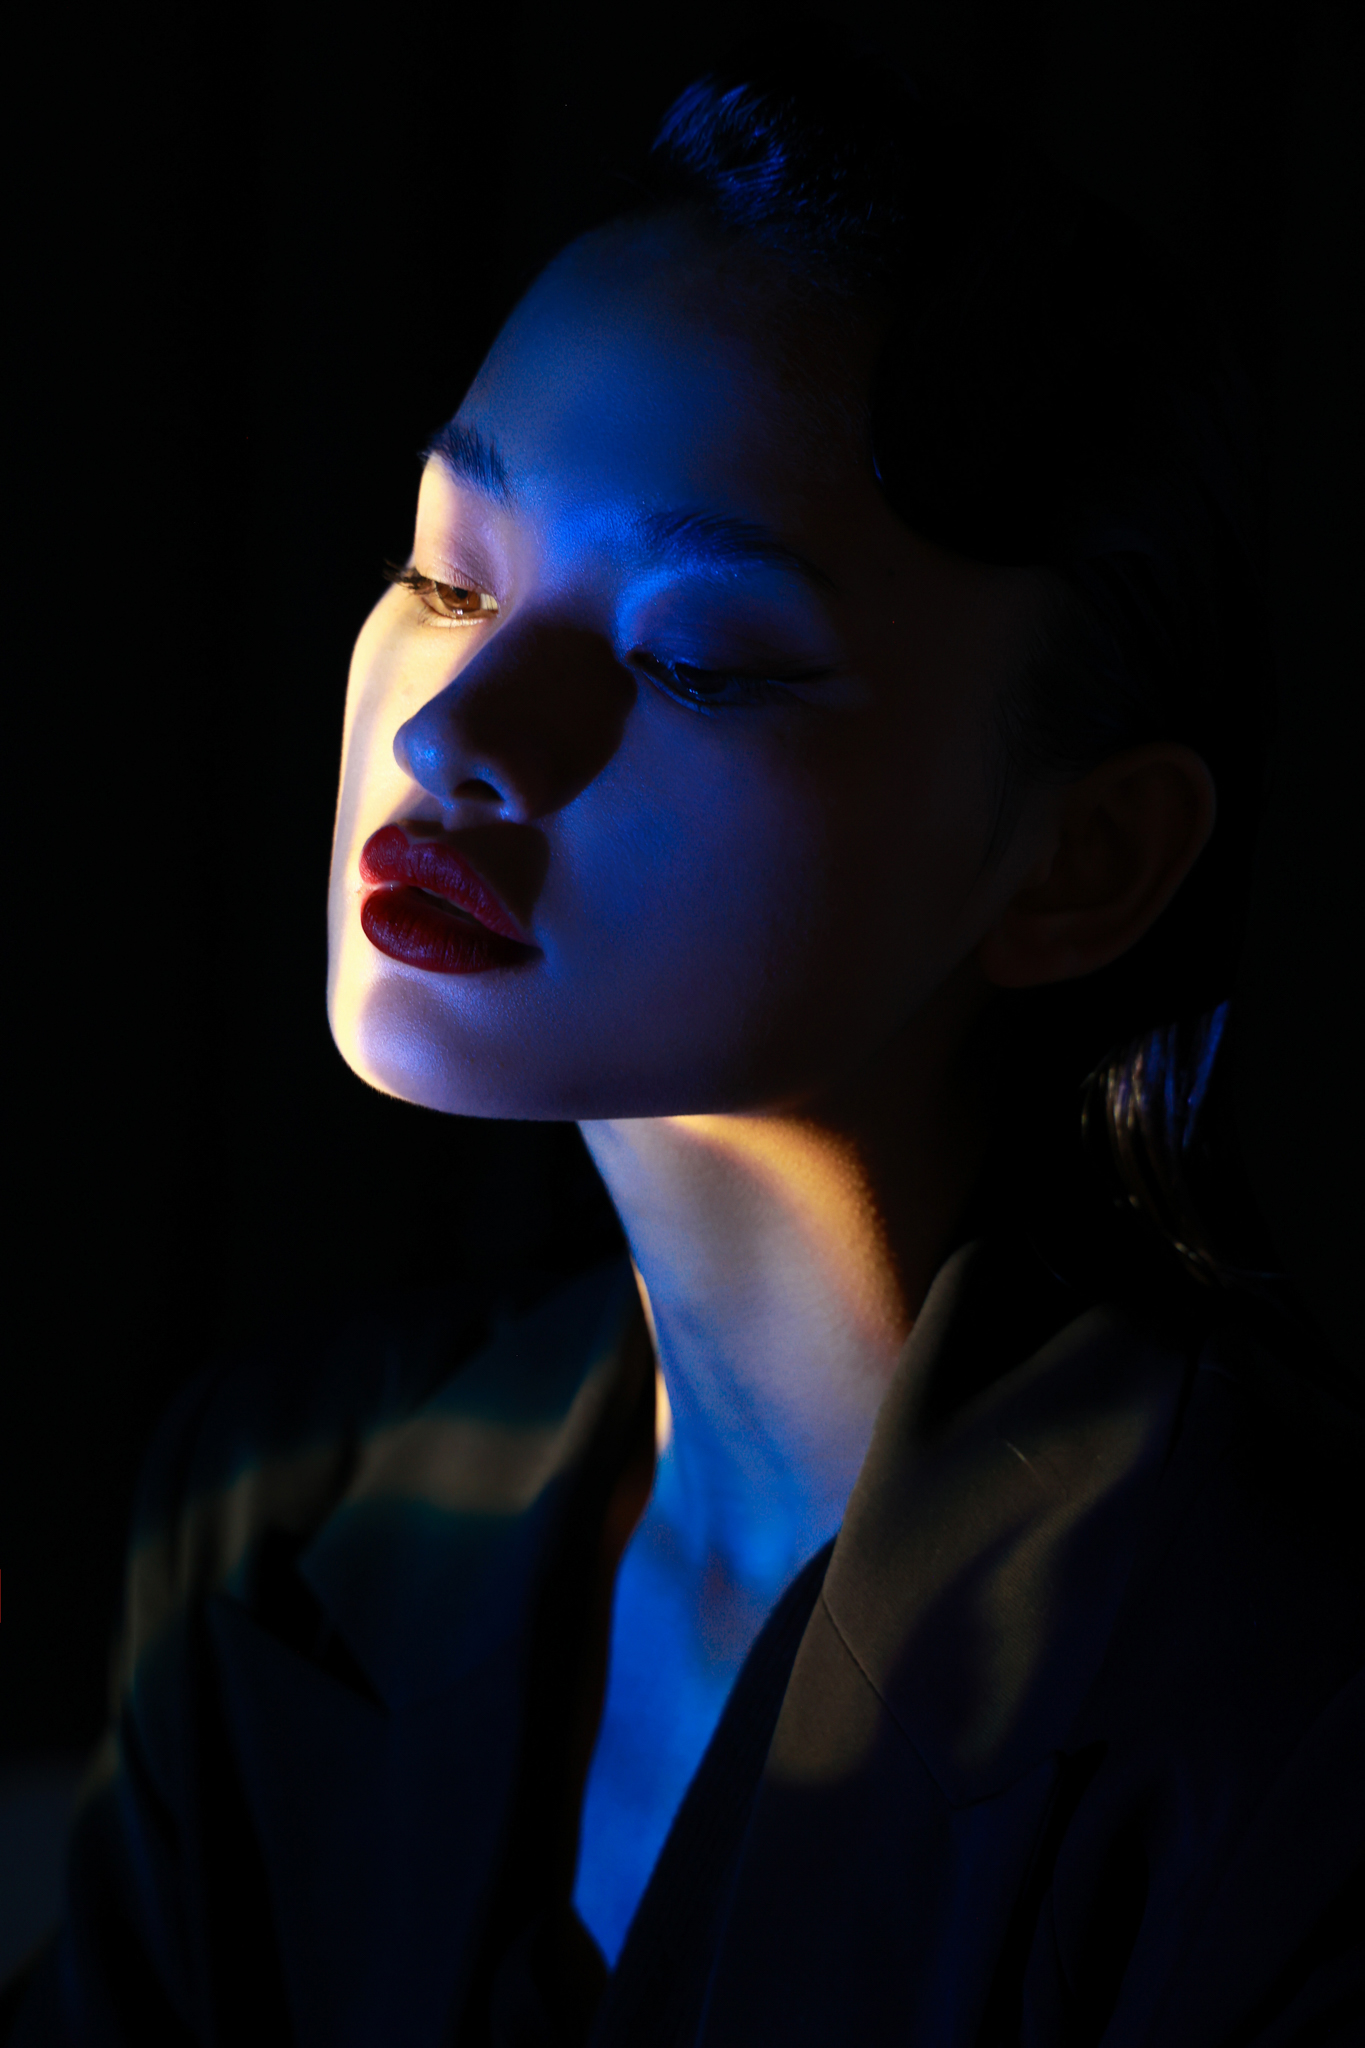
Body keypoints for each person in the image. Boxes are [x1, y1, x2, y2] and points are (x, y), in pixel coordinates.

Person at [7, 39, 1362, 2048]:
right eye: (445, 569)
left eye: (697, 659)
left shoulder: (1280, 1702)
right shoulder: (282, 1512)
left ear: (1080, 858)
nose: (456, 730)